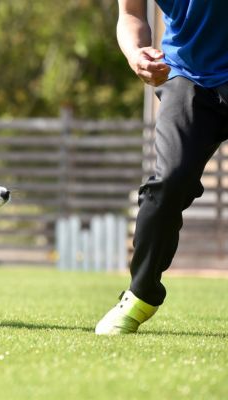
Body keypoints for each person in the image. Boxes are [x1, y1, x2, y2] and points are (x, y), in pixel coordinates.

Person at [95, 0, 228, 335]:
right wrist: (135, 52)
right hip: (186, 76)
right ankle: (141, 294)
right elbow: (131, 15)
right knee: (169, 182)